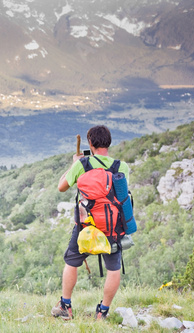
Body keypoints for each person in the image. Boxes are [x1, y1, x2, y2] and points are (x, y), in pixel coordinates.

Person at [51, 125, 130, 320]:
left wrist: (74, 163)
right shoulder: (122, 167)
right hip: (113, 227)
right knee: (114, 269)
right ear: (108, 143)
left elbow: (61, 187)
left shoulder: (82, 164)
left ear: (90, 143)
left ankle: (65, 306)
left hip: (87, 228)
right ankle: (102, 312)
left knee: (71, 263)